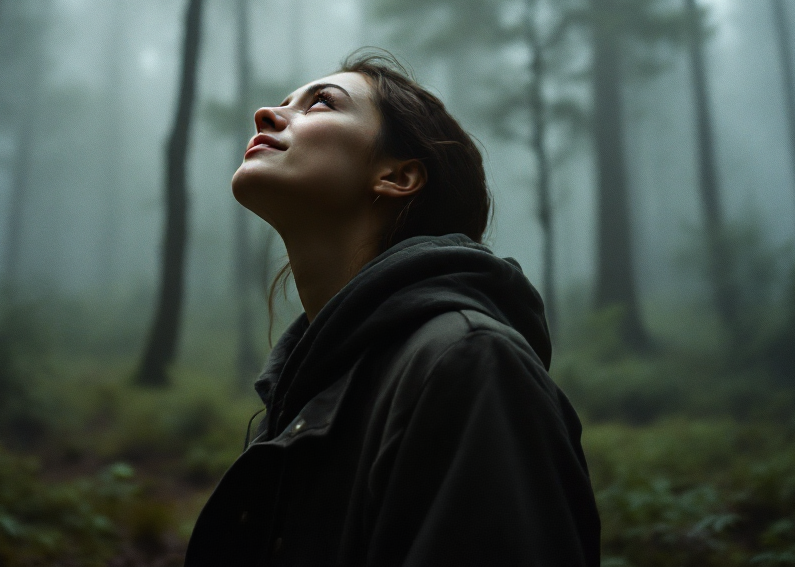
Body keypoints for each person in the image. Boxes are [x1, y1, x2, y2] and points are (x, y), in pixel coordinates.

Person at [185, 51, 600, 566]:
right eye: (283, 102)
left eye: (320, 104)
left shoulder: (469, 363)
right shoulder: (308, 387)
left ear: (398, 177)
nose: (267, 114)